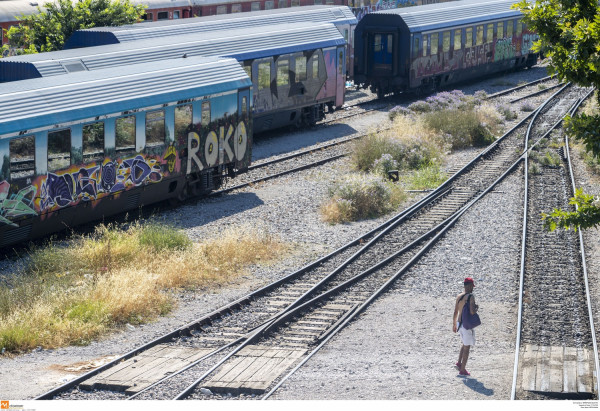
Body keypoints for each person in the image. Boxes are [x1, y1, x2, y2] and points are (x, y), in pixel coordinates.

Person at [452, 277, 479, 376]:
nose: (472, 288)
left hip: (459, 324)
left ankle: (459, 363)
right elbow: (472, 312)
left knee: (464, 343)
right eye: (472, 286)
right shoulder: (471, 297)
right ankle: (462, 370)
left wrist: (454, 324)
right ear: (469, 286)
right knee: (467, 347)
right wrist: (476, 309)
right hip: (467, 325)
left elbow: (455, 311)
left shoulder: (459, 296)